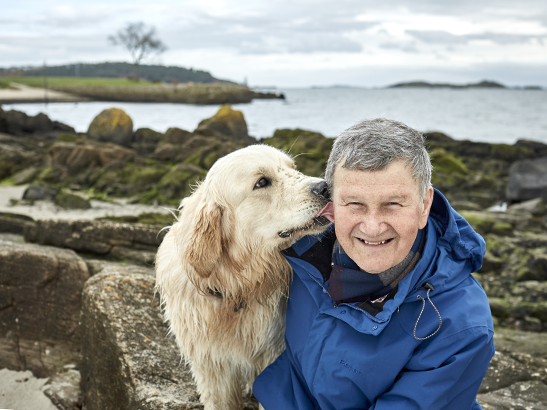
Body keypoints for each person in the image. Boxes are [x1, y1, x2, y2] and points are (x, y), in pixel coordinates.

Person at [253, 118, 495, 409]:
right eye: (354, 203)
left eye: (393, 204)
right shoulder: (298, 248)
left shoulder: (459, 326)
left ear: (424, 205)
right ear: (330, 205)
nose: (372, 227)